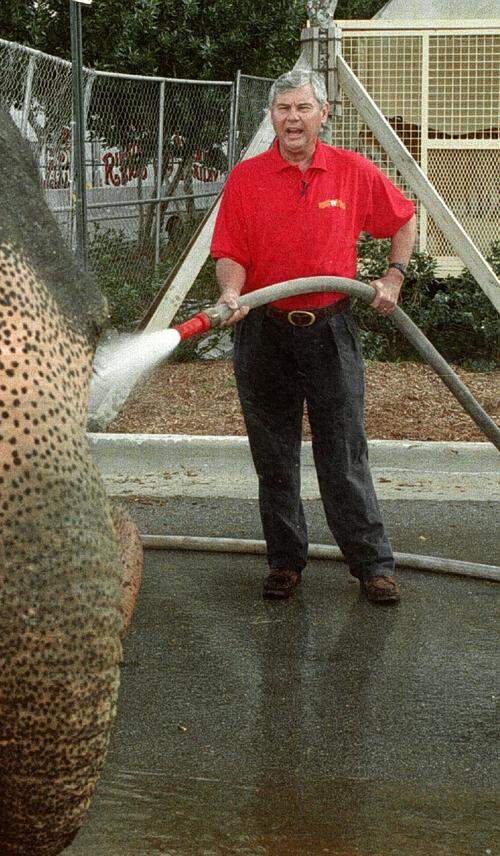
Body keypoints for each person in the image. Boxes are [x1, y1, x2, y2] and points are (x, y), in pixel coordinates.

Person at [210, 69, 417, 605]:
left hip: (329, 328)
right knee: (273, 453)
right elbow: (230, 252)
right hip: (264, 331)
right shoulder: (247, 178)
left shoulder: (351, 171)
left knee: (343, 451)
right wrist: (233, 293)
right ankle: (285, 562)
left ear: (323, 114)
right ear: (271, 117)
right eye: (283, 109)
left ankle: (372, 565)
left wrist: (392, 276)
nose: (293, 119)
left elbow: (403, 219)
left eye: (303, 108)